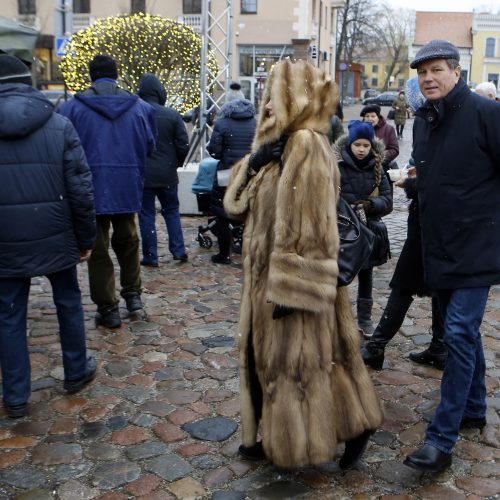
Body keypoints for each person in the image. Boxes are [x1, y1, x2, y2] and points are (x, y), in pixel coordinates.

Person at [224, 59, 383, 470]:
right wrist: (255, 163)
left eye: (276, 95)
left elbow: (315, 228)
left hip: (293, 285)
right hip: (266, 283)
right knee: (285, 363)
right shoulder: (275, 145)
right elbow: (235, 208)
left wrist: (294, 288)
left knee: (303, 367)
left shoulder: (306, 145)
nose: (268, 104)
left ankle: (341, 430)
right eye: (267, 95)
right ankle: (291, 433)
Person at [403, 39, 500, 473]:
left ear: (456, 72)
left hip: (478, 245)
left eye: (437, 69)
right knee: (464, 333)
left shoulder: (487, 114)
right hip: (438, 246)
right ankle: (475, 409)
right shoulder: (425, 120)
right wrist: (416, 180)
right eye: (422, 72)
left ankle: (441, 440)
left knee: (458, 332)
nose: (429, 78)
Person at [0, 55, 97, 418]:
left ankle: (15, 396)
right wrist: (85, 238)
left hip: (4, 237)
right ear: (29, 83)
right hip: (54, 229)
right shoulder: (59, 125)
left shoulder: (62, 123)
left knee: (9, 315)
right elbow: (81, 190)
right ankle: (75, 371)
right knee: (68, 301)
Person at [59, 55, 157, 329]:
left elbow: (62, 149)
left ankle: (108, 308)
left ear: (91, 77)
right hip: (127, 183)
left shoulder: (72, 109)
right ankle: (133, 295)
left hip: (89, 187)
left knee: (98, 250)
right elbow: (150, 145)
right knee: (129, 241)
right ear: (117, 75)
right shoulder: (140, 108)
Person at [361, 162, 447, 370]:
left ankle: (375, 348)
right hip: (430, 223)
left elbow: (443, 183)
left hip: (432, 225)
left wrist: (410, 184)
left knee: (403, 285)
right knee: (439, 284)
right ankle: (439, 348)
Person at [334, 121, 393, 337]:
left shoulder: (378, 168)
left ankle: (365, 318)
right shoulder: (337, 166)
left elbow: (388, 200)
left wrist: (371, 205)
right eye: (357, 144)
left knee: (366, 276)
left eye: (366, 145)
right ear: (350, 143)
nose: (361, 149)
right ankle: (336, 317)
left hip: (367, 231)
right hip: (341, 231)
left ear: (371, 146)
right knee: (337, 274)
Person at [137, 74, 190, 267]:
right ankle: (178, 250)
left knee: (146, 215)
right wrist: (175, 163)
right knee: (172, 211)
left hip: (144, 174)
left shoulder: (136, 113)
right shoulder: (172, 115)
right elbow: (183, 144)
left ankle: (150, 256)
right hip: (167, 172)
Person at [207, 98, 256, 264]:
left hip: (227, 172)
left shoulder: (222, 123)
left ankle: (224, 253)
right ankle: (247, 248)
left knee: (222, 211)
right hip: (250, 172)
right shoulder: (255, 123)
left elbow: (214, 150)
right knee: (250, 210)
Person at [360, 104, 399, 171]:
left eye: (373, 116)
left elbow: (394, 150)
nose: (370, 119)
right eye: (367, 116)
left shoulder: (388, 129)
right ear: (364, 118)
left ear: (378, 116)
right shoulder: (358, 129)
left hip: (382, 168)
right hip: (362, 168)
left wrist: (378, 158)